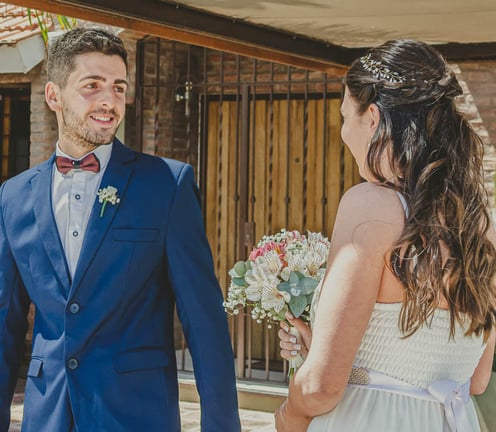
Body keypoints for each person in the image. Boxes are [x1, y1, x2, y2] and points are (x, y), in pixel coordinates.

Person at [0, 27, 241, 432]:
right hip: (47, 416)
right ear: (54, 95)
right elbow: (5, 324)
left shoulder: (167, 184)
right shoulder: (13, 196)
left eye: (118, 86)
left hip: (137, 414)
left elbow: (204, 322)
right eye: (92, 86)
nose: (109, 100)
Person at [275, 39, 496, 431]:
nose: (344, 132)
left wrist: (288, 417)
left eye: (346, 116)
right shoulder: (482, 228)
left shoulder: (371, 206)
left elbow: (321, 388)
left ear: (373, 117)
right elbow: (475, 380)